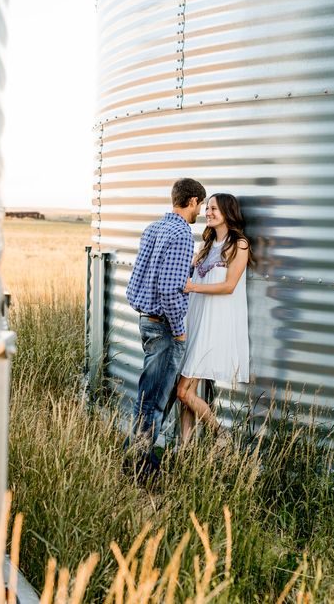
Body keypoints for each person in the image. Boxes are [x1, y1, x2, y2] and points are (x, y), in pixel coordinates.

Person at [125, 177, 206, 475]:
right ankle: (139, 466)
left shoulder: (154, 228)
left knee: (148, 395)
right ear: (193, 201)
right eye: (201, 205)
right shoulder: (182, 234)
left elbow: (137, 280)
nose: (201, 212)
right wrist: (179, 330)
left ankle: (136, 455)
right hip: (164, 328)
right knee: (154, 402)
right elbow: (171, 289)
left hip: (146, 321)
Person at [177, 193, 251, 445]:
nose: (208, 212)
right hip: (196, 321)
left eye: (214, 209)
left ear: (228, 212)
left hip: (215, 324)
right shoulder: (205, 245)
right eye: (207, 208)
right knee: (188, 393)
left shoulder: (239, 245)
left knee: (183, 392)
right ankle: (184, 450)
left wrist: (193, 288)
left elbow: (229, 286)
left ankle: (221, 434)